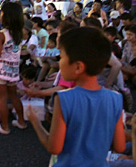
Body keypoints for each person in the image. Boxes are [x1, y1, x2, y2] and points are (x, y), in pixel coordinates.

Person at [27, 27, 125, 166]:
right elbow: (120, 147)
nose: (59, 63)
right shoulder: (115, 98)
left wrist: (35, 122)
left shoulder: (63, 99)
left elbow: (54, 147)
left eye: (62, 57)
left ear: (78, 67)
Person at [0, 1, 26, 134]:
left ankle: (5, 126)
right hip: (13, 69)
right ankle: (21, 121)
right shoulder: (19, 33)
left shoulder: (2, 34)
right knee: (14, 96)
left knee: (2, 98)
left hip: (1, 69)